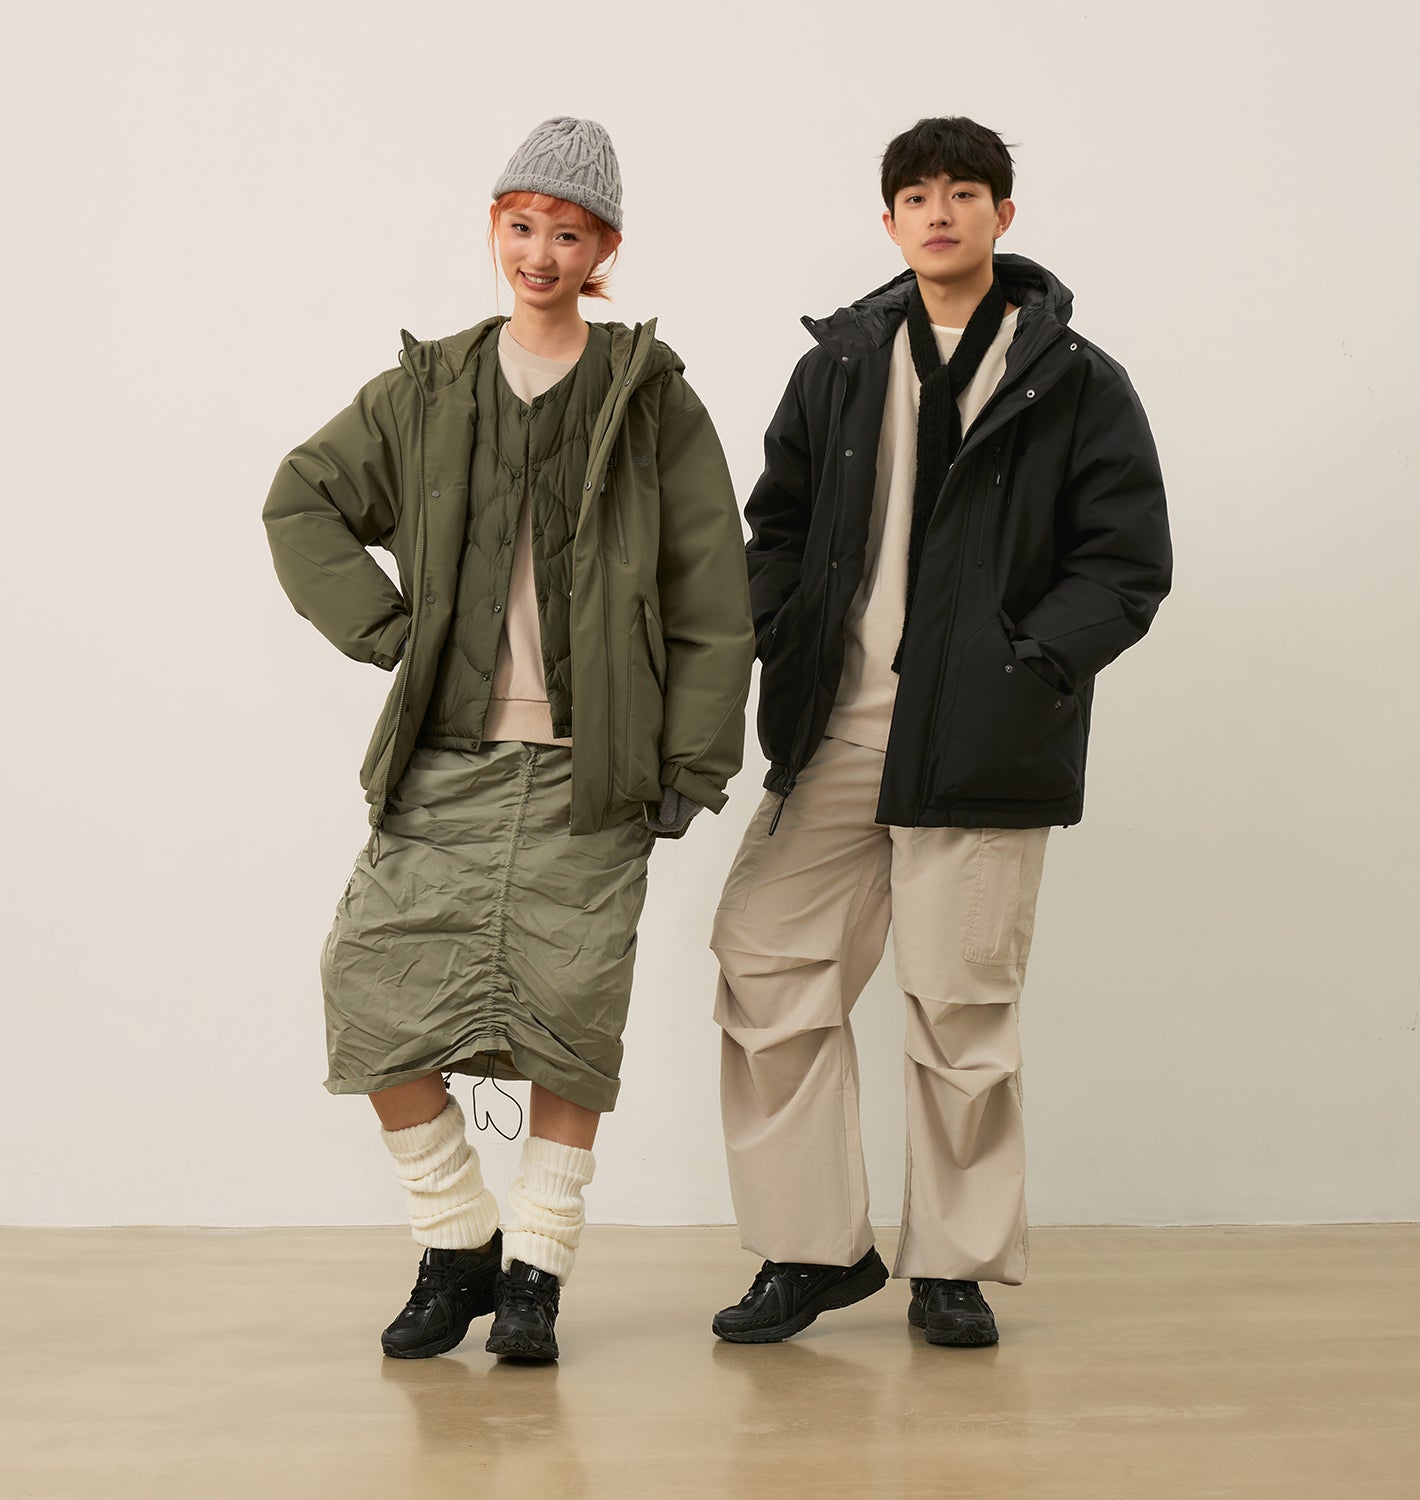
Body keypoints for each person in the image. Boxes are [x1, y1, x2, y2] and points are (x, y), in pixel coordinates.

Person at [263, 117, 753, 1363]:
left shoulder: (650, 397)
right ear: (494, 228)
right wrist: (390, 633)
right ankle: (456, 1242)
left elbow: (712, 594)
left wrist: (692, 763)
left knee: (571, 1019)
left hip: (598, 767)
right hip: (446, 757)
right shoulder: (429, 389)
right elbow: (303, 498)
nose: (541, 253)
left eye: (568, 233)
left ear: (606, 250)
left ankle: (536, 1271)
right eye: (522, 225)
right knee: (368, 986)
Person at [709, 116, 1171, 1348]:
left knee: (960, 1010)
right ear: (890, 222)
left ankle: (951, 1267)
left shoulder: (1077, 380)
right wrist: (782, 633)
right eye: (916, 196)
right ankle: (812, 1249)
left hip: (981, 744)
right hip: (836, 732)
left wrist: (1023, 672)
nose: (940, 212)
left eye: (965, 192)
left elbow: (1126, 563)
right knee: (766, 962)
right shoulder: (840, 365)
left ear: (1003, 216)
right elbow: (778, 526)